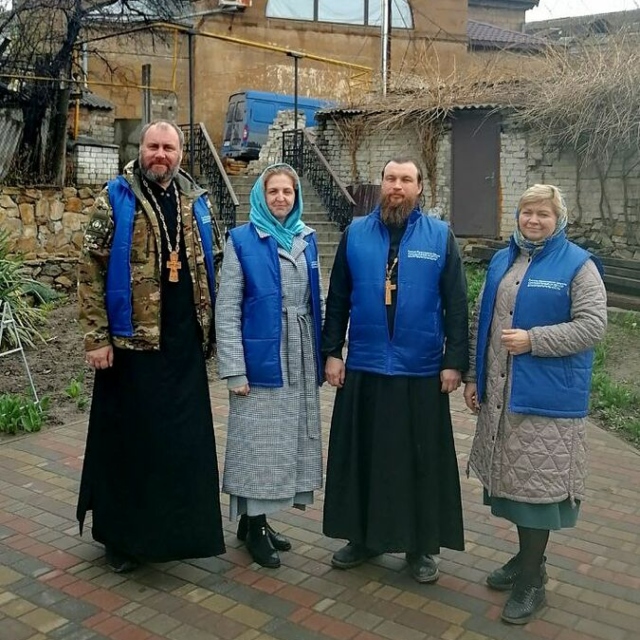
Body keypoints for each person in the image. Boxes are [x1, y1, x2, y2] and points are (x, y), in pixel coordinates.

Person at [77, 119, 226, 572]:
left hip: (183, 346)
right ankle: (123, 540)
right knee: (131, 446)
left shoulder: (197, 200)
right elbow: (90, 268)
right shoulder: (115, 198)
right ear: (140, 149)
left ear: (180, 154)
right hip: (131, 347)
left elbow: (217, 263)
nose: (161, 155)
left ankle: (176, 536)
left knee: (180, 446)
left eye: (169, 148)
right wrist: (97, 337)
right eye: (153, 146)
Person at [463, 184, 607, 625]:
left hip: (546, 397)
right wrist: (473, 376)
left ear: (558, 219)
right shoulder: (504, 260)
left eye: (543, 214)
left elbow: (593, 326)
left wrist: (534, 340)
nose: (534, 220)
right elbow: (482, 320)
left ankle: (531, 582)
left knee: (536, 492)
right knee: (513, 484)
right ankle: (529, 561)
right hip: (503, 393)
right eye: (527, 212)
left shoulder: (577, 265)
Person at [322, 157, 469, 584]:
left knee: (419, 462)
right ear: (381, 184)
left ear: (420, 187)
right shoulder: (355, 234)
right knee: (362, 458)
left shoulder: (439, 236)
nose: (397, 186)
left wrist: (454, 361)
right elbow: (338, 298)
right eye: (390, 178)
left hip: (419, 369)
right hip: (365, 365)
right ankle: (361, 538)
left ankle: (419, 547)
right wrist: (332, 352)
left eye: (406, 179)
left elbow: (457, 303)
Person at [215, 163, 324, 569]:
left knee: (285, 442)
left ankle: (253, 522)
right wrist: (234, 369)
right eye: (273, 191)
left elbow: (316, 299)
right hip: (262, 357)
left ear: (296, 197)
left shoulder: (306, 238)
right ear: (261, 196)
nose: (281, 198)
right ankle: (256, 526)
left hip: (299, 353)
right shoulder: (242, 240)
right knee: (257, 445)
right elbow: (227, 309)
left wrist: (323, 352)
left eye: (288, 192)